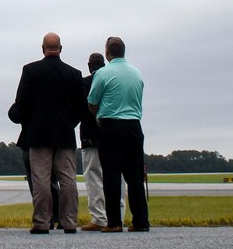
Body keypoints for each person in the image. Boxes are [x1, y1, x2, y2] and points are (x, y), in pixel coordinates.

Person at [14, 32, 84, 235]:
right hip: (64, 133)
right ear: (60, 49)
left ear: (43, 48)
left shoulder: (30, 71)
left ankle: (42, 222)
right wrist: (70, 123)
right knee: (68, 179)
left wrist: (31, 123)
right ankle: (70, 221)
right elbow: (81, 107)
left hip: (38, 133)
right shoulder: (74, 74)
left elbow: (21, 103)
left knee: (41, 180)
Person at [87, 36, 149, 233]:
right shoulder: (136, 73)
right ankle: (141, 220)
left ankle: (114, 222)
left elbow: (92, 100)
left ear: (107, 53)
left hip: (111, 126)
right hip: (134, 125)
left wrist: (98, 113)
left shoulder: (103, 73)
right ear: (124, 51)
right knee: (135, 176)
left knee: (111, 175)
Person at [79, 53, 107, 231]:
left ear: (89, 66)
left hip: (90, 135)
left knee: (93, 178)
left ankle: (98, 217)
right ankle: (117, 215)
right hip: (111, 135)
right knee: (115, 177)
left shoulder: (83, 83)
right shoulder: (110, 80)